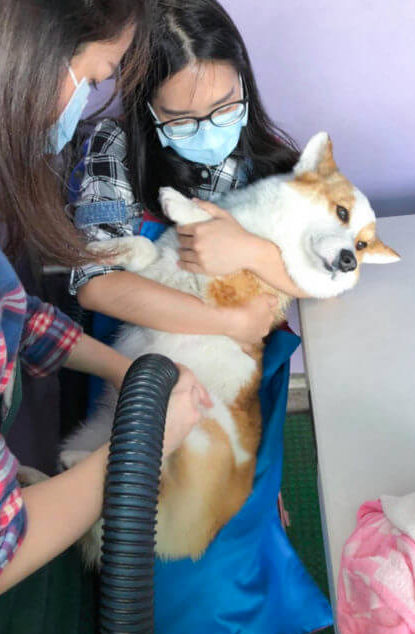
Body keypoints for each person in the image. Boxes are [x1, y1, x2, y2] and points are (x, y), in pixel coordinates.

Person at [0, 1, 210, 634]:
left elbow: (12, 311)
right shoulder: (107, 155)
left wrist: (123, 369)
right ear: (27, 57)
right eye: (95, 76)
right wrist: (143, 445)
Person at [68, 0, 307, 365]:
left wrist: (252, 251)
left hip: (240, 367)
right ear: (147, 107)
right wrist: (228, 322)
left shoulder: (270, 161)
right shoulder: (114, 148)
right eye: (180, 121)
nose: (209, 133)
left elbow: (326, 271)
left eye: (225, 108)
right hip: (141, 366)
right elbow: (96, 284)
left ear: (243, 82)